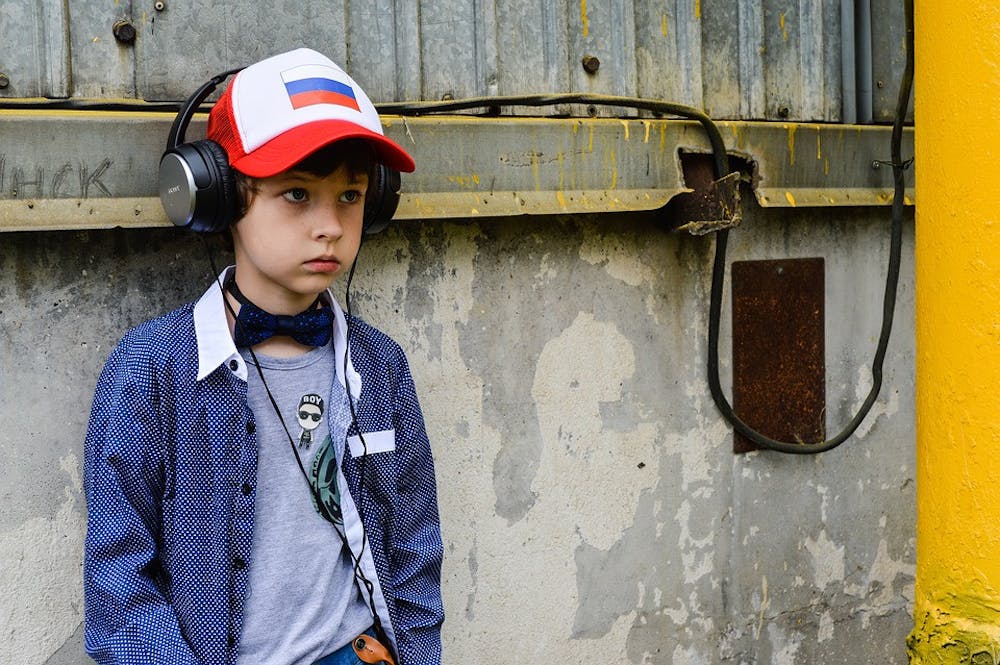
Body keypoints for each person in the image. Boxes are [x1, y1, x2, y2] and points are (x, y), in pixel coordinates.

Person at [82, 48, 444, 665]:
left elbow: (415, 546)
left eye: (351, 195)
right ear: (219, 197)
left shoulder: (380, 365)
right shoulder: (151, 368)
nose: (330, 226)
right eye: (297, 193)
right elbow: (119, 589)